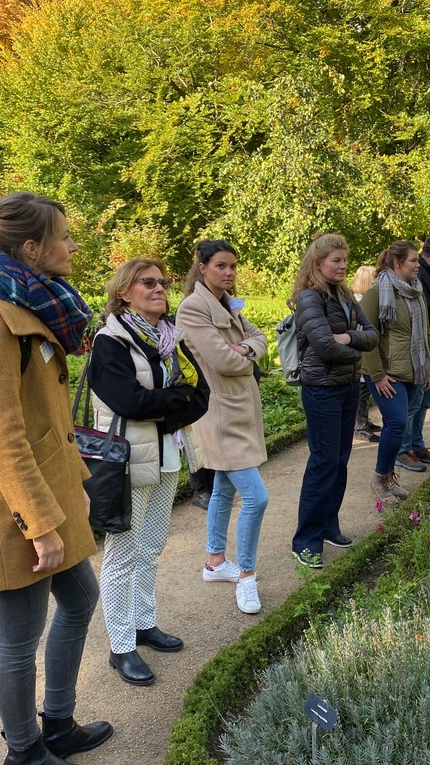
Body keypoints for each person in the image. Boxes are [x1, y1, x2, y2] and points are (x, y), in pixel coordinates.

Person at [0, 192, 113, 765]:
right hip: (13, 504)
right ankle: (24, 751)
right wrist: (40, 523)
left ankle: (59, 724)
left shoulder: (36, 307)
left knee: (81, 598)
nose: (72, 246)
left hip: (51, 492)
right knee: (19, 640)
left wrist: (70, 490)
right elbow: (0, 437)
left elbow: (45, 420)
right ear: (31, 248)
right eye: (64, 237)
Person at [88, 258, 209, 686]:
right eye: (148, 282)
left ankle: (143, 622)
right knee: (122, 554)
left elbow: (201, 397)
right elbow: (129, 402)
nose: (160, 288)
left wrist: (165, 405)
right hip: (126, 461)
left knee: (152, 546)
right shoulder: (110, 341)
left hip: (164, 454)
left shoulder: (170, 337)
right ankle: (121, 648)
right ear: (124, 291)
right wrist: (173, 401)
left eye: (163, 282)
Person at [176, 239, 269, 614]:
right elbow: (221, 361)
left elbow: (260, 339)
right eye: (220, 266)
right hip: (219, 413)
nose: (229, 273)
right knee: (257, 498)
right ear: (202, 267)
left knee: (224, 491)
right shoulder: (193, 308)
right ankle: (246, 576)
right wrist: (247, 352)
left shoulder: (226, 303)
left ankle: (215, 562)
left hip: (239, 409)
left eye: (232, 266)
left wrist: (244, 349)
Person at [290, 234, 379, 568]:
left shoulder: (343, 295)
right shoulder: (309, 298)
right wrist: (355, 346)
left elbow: (372, 334)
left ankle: (328, 526)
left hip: (346, 386)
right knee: (323, 462)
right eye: (336, 261)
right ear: (318, 264)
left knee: (339, 459)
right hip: (322, 390)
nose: (343, 266)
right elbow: (325, 347)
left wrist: (350, 337)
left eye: (344, 260)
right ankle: (305, 540)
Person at [360, 240, 430, 503]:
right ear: (397, 263)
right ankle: (379, 479)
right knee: (397, 423)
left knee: (399, 424)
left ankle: (387, 479)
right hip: (386, 372)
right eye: (413, 260)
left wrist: (427, 368)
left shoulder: (416, 290)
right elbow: (366, 338)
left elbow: (424, 332)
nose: (417, 265)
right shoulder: (377, 293)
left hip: (413, 369)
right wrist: (377, 375)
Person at [397, 234, 430, 467]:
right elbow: (419, 321)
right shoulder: (421, 278)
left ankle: (416, 445)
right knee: (414, 403)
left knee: (423, 402)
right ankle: (404, 449)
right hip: (422, 355)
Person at [350, 265, 381, 442]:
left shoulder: (359, 299)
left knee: (365, 391)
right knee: (361, 392)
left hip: (362, 350)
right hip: (360, 353)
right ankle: (359, 426)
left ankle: (364, 421)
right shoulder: (359, 301)